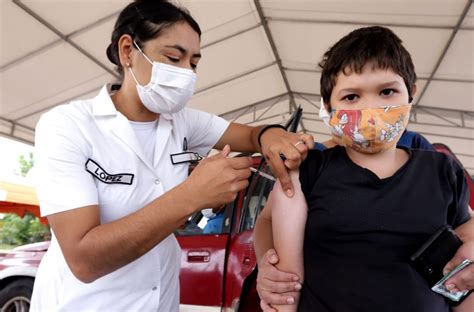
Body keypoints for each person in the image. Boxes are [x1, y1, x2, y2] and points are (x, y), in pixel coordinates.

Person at [30, 1, 314, 311]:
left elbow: (249, 135)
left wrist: (271, 136)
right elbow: (84, 259)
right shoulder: (68, 126)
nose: (186, 73)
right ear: (127, 51)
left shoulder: (182, 121)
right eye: (173, 58)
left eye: (193, 63)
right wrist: (193, 195)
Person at [253, 26, 474, 312]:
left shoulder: (443, 171)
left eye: (387, 91)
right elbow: (286, 287)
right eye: (351, 97)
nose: (371, 109)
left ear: (411, 93)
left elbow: (464, 231)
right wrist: (265, 266)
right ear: (327, 107)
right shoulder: (306, 171)